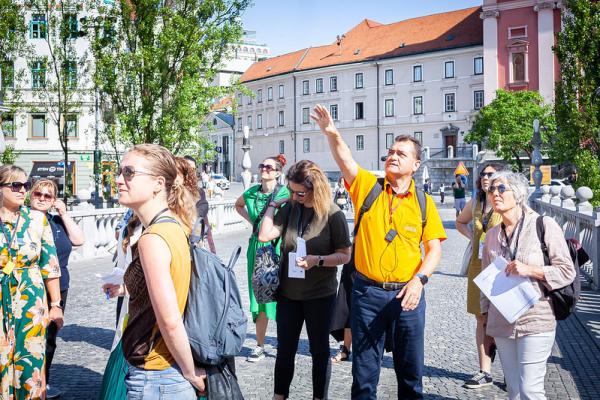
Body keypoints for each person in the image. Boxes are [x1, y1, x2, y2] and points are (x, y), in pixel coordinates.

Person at [311, 104, 446, 399]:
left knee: (411, 378)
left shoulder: (423, 203)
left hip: (408, 296)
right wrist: (331, 133)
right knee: (364, 377)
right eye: (391, 152)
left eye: (401, 154)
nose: (393, 156)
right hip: (367, 295)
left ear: (416, 164)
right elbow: (346, 160)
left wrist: (419, 280)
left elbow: (434, 249)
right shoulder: (368, 189)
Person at [114, 144, 206, 398]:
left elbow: (170, 320)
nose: (119, 180)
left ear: (157, 183)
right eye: (120, 171)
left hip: (157, 375)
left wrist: (190, 372)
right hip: (164, 374)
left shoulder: (152, 238)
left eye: (129, 173)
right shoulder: (174, 225)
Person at [258, 160, 352, 400]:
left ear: (315, 189)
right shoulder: (290, 208)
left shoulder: (333, 214)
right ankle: (279, 397)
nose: (295, 196)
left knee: (319, 352)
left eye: (300, 192)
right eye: (291, 191)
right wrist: (273, 205)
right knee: (284, 351)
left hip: (320, 295)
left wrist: (317, 260)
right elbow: (264, 235)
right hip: (288, 294)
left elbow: (344, 255)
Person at [481, 171, 575, 400]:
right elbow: (486, 279)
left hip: (536, 317)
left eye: (501, 188)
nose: (495, 194)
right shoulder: (492, 235)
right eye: (491, 189)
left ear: (519, 194)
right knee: (513, 390)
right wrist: (485, 317)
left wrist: (531, 269)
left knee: (530, 390)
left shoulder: (543, 225)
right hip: (502, 319)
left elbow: (566, 271)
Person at [0, 165, 62, 399]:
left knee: (31, 360)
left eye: (25, 186)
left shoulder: (37, 220)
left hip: (31, 303)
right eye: (16, 185)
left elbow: (51, 266)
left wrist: (56, 305)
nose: (22, 190)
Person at [29, 179, 85, 398]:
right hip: (33, 287)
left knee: (50, 338)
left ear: (54, 200)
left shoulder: (56, 222)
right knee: (28, 337)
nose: (42, 198)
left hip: (59, 288)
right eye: (38, 194)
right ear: (30, 195)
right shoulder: (21, 221)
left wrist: (64, 214)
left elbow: (79, 240)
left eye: (48, 196)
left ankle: (44, 383)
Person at [234, 155, 289, 362]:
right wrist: (254, 224)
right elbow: (237, 205)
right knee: (259, 298)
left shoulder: (284, 193)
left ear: (277, 172)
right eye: (262, 165)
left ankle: (285, 342)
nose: (264, 169)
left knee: (283, 296)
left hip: (278, 248)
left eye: (268, 167)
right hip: (257, 248)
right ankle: (259, 345)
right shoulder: (251, 193)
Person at [455, 164, 503, 389]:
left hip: (501, 269)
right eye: (483, 174)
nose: (485, 177)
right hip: (477, 267)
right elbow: (459, 222)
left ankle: (513, 370)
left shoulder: (506, 202)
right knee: (481, 318)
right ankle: (485, 371)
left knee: (505, 318)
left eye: (490, 174)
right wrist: (473, 239)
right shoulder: (475, 203)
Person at [183, 155, 216, 254]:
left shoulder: (199, 192)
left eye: (193, 169)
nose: (191, 172)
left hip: (195, 242)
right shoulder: (171, 192)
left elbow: (203, 217)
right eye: (188, 168)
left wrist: (212, 249)